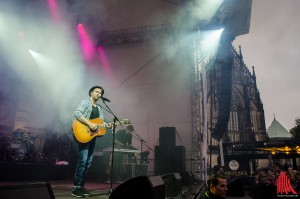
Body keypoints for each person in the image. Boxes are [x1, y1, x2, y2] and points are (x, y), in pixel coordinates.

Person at [71, 85, 105, 198]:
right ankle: (76, 187)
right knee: (83, 160)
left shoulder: (100, 108)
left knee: (88, 162)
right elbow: (77, 113)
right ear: (91, 93)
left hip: (92, 137)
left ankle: (81, 186)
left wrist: (109, 126)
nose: (98, 94)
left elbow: (100, 123)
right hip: (83, 134)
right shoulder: (86, 103)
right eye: (96, 91)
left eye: (100, 92)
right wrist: (90, 124)